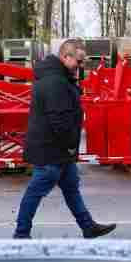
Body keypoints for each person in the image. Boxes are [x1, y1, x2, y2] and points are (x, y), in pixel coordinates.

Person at [14, 39, 115, 240]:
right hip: (51, 150)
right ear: (65, 57)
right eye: (78, 61)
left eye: (83, 61)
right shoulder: (56, 82)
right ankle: (21, 234)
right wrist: (70, 145)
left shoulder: (57, 77)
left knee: (71, 189)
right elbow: (58, 120)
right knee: (35, 193)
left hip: (57, 150)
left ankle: (88, 227)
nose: (81, 66)